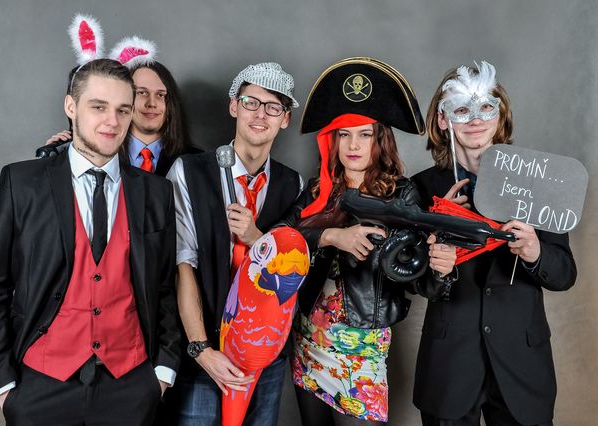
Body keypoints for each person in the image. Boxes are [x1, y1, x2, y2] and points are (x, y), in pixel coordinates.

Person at [0, 58, 182, 425]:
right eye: (98, 106)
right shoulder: (20, 184)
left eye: (123, 110)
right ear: (71, 106)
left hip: (131, 386)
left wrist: (162, 373)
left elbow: (164, 287)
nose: (112, 121)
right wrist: (4, 386)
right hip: (39, 385)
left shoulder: (156, 192)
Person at [280, 57, 454, 425]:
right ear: (333, 140)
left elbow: (420, 277)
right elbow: (281, 239)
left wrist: (440, 270)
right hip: (310, 335)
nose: (353, 145)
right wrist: (332, 235)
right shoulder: (318, 190)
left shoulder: (401, 194)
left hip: (363, 341)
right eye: (344, 135)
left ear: (380, 140)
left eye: (364, 134)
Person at [412, 61, 577, 426]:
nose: (475, 119)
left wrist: (535, 252)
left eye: (485, 106)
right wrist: (438, 251)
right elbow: (414, 282)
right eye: (461, 109)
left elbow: (565, 273)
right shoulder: (421, 189)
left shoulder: (537, 182)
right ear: (443, 119)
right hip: (450, 367)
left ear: (499, 115)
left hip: (523, 366)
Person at [166, 62, 303, 425]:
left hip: (265, 355)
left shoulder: (294, 185)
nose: (261, 114)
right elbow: (182, 265)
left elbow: (293, 275)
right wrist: (201, 349)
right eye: (250, 102)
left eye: (273, 107)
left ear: (285, 119)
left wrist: (258, 239)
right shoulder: (189, 172)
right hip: (205, 351)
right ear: (233, 106)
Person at [47, 60, 197, 176]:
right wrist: (58, 157)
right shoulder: (96, 153)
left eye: (160, 95)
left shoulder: (195, 163)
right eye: (141, 93)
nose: (152, 103)